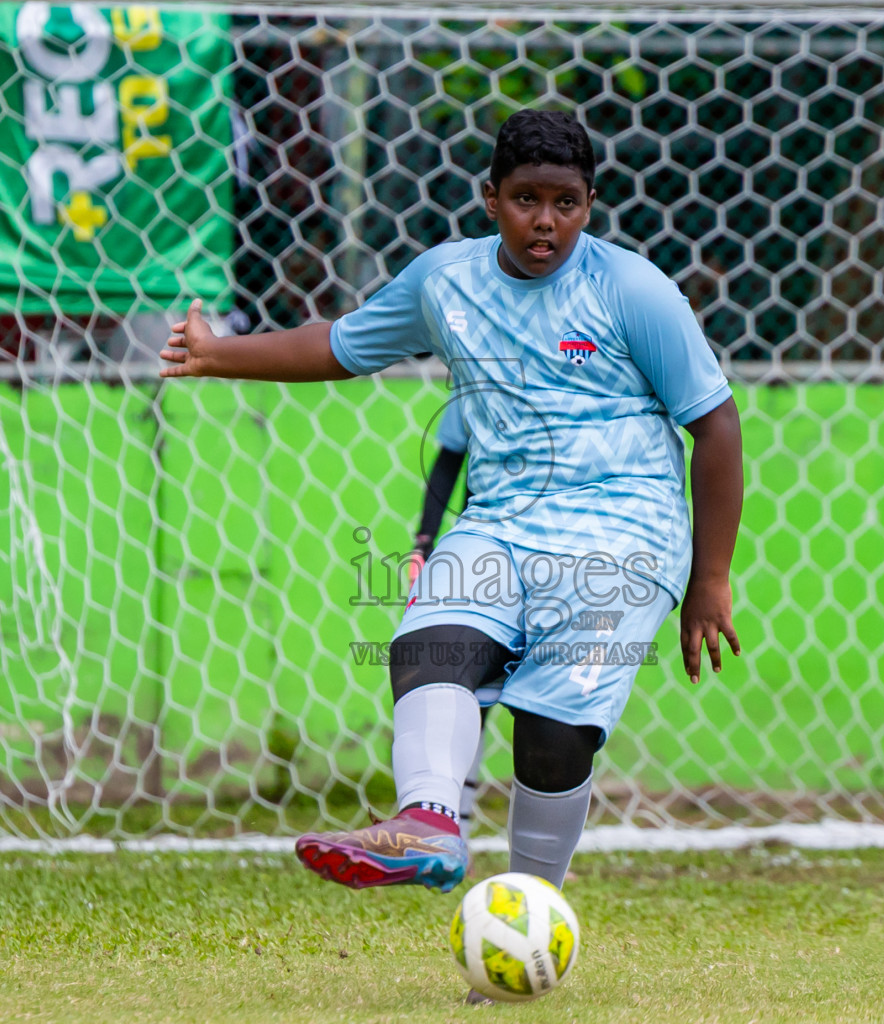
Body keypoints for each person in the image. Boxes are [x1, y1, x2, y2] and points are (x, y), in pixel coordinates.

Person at [160, 110, 742, 900]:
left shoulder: (632, 289)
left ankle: (528, 907)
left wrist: (709, 578)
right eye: (526, 199)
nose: (545, 222)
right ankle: (428, 825)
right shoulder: (446, 281)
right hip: (499, 520)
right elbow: (339, 344)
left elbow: (716, 425)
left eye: (565, 202)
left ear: (590, 204)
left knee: (551, 738)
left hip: (624, 529)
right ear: (489, 199)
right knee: (429, 644)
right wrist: (217, 354)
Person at [410, 402, 492, 837]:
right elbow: (447, 463)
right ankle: (453, 831)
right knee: (474, 691)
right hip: (484, 552)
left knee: (546, 704)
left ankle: (541, 846)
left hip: (566, 551)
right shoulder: (477, 367)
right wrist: (423, 544)